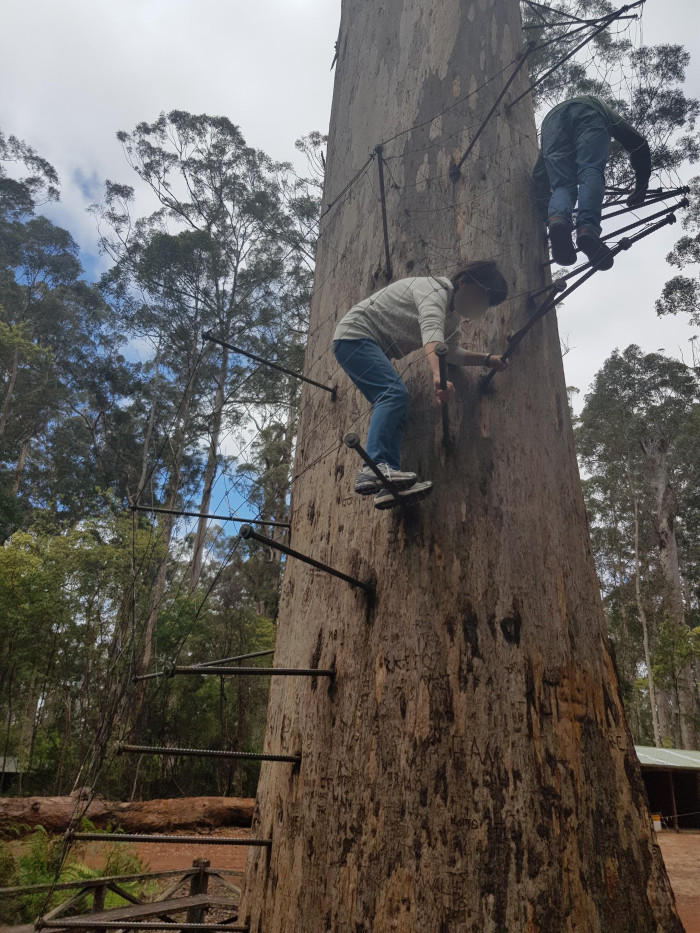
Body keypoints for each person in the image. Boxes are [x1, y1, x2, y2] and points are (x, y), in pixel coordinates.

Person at [332, 262, 508, 510]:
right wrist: (437, 375)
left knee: (391, 399)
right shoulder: (433, 289)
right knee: (392, 394)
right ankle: (373, 468)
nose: (480, 306)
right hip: (355, 337)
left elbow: (453, 352)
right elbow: (431, 331)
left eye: (486, 304)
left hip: (361, 344)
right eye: (481, 297)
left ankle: (386, 485)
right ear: (464, 282)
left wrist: (487, 359)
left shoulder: (451, 317)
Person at [533, 95, 651, 270]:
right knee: (590, 170)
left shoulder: (553, 122)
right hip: (590, 110)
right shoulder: (602, 108)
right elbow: (639, 144)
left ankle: (558, 220)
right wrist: (641, 186)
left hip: (551, 121)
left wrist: (547, 217)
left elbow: (539, 175)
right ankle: (587, 229)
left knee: (562, 184)